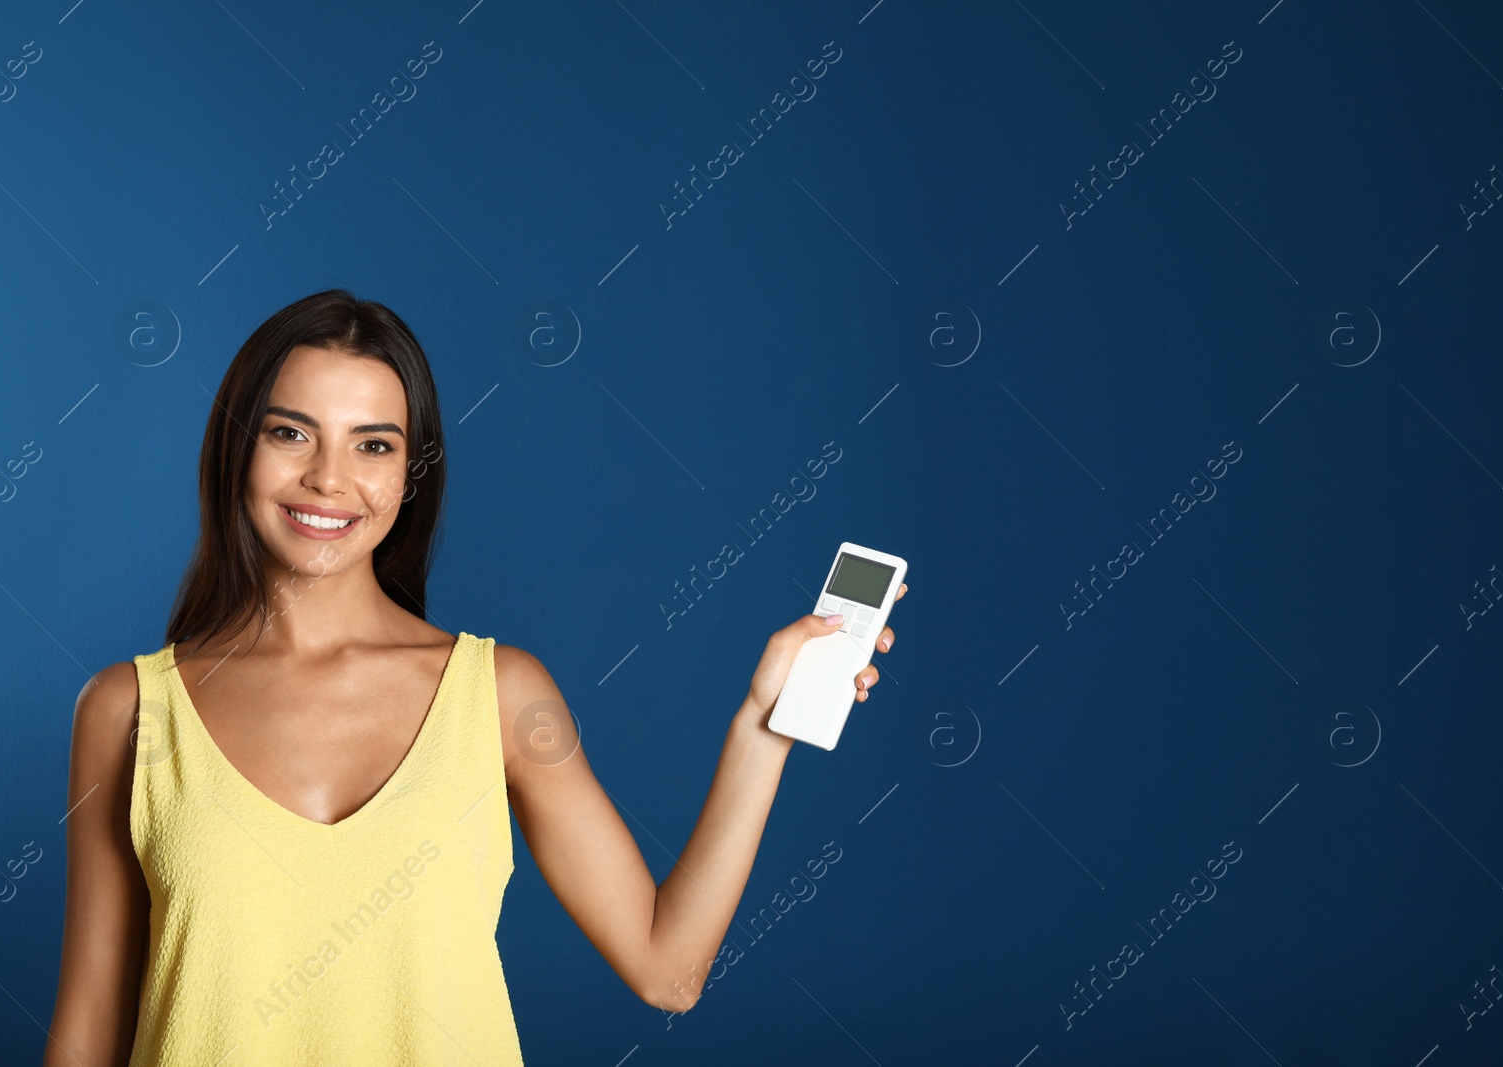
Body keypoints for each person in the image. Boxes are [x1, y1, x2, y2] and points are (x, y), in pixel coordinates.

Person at [44, 289, 905, 1065]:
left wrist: (765, 724)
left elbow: (667, 968)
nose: (328, 478)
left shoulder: (500, 694)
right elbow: (87, 1030)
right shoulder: (127, 710)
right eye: (289, 431)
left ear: (410, 473)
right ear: (239, 449)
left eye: (372, 444)